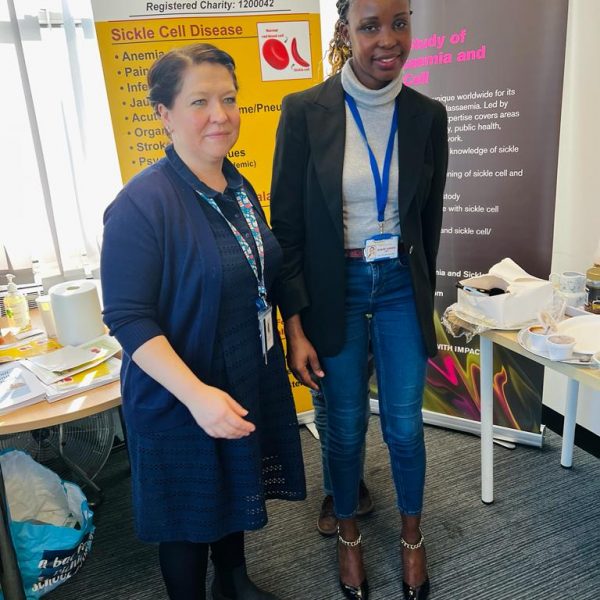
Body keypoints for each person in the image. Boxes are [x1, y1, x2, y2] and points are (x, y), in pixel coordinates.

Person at [101, 43, 306, 600]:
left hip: (239, 371)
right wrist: (196, 396)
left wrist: (292, 335)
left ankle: (233, 582)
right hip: (177, 393)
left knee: (231, 486)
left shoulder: (237, 187)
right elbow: (126, 317)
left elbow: (263, 272)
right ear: (164, 115)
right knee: (188, 516)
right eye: (199, 102)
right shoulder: (142, 202)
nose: (220, 114)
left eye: (229, 99)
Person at [270, 0, 448, 598]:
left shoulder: (428, 116)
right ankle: (348, 537)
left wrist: (419, 292)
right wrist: (295, 326)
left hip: (397, 284)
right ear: (345, 31)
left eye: (399, 23)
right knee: (344, 427)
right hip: (334, 289)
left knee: (405, 427)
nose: (387, 40)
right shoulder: (304, 110)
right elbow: (287, 228)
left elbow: (428, 221)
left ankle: (411, 538)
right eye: (370, 26)